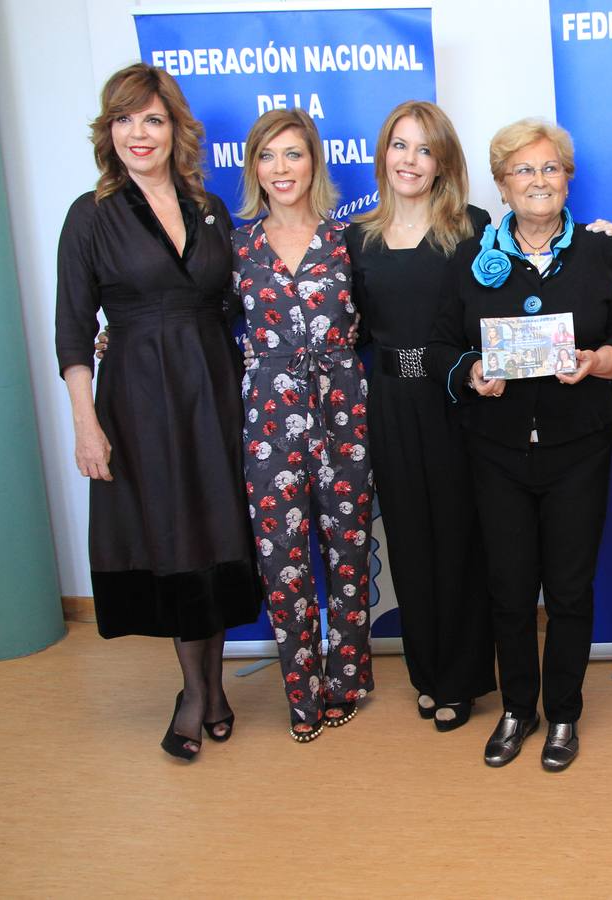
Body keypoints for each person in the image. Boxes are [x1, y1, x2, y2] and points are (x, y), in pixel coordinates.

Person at [55, 64, 260, 761]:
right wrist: (86, 423)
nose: (138, 133)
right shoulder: (91, 214)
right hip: (139, 399)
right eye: (124, 120)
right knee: (174, 535)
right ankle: (196, 695)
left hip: (212, 386)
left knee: (215, 528)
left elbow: (232, 302)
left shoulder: (209, 210)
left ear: (175, 129)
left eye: (152, 119)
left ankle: (216, 688)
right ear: (108, 133)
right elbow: (72, 327)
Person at [427, 118, 612, 772]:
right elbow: (439, 346)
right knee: (510, 589)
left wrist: (603, 360)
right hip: (495, 450)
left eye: (550, 168)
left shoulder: (606, 254)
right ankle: (520, 707)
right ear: (502, 184)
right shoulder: (470, 257)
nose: (538, 180)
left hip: (579, 447)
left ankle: (565, 713)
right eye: (524, 170)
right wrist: (469, 373)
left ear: (567, 178)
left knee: (571, 590)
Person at [347, 100, 496, 731]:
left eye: (424, 149)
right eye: (400, 146)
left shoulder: (473, 227)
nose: (410, 160)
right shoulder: (357, 236)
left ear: (442, 162)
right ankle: (427, 674)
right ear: (384, 154)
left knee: (460, 542)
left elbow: (502, 306)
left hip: (455, 402)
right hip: (388, 404)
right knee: (407, 542)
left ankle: (462, 680)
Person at [233, 109, 374, 742]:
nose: (282, 168)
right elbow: (196, 323)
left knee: (346, 554)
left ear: (313, 161)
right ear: (254, 168)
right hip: (269, 421)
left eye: (294, 154)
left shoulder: (350, 241)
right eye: (269, 156)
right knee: (283, 561)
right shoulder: (235, 247)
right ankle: (302, 693)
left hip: (342, 415)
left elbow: (387, 323)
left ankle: (346, 679)